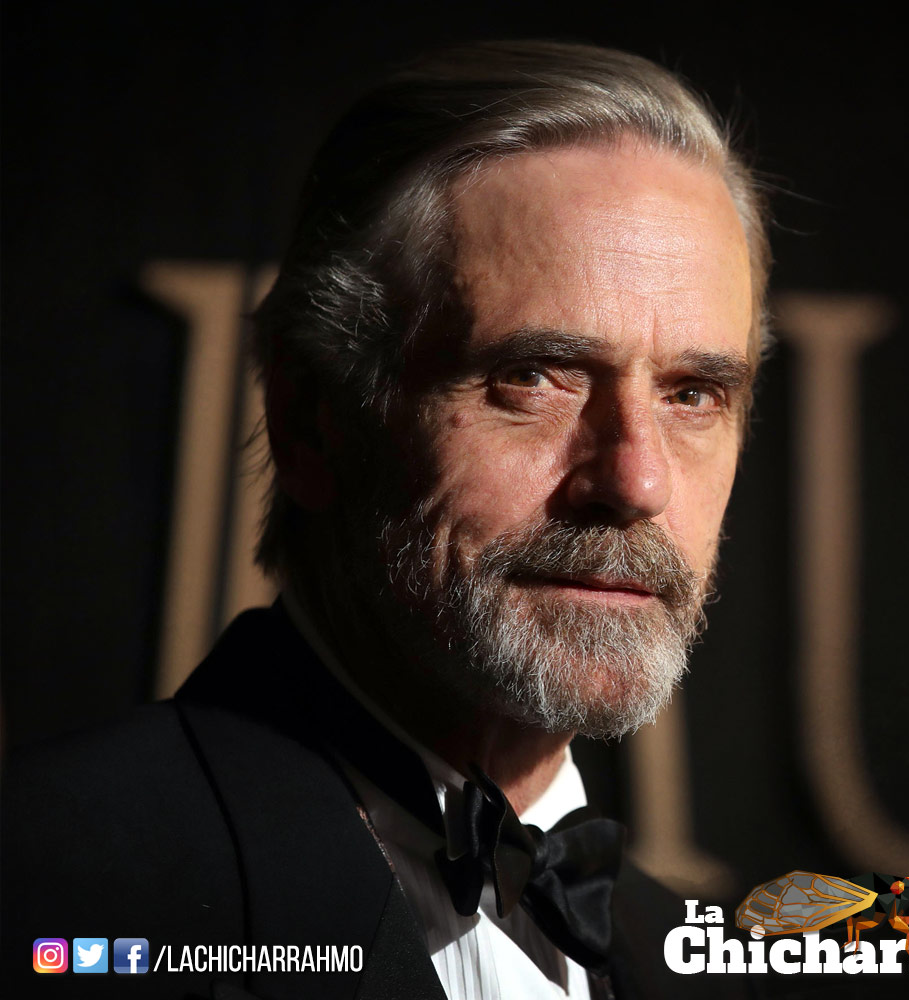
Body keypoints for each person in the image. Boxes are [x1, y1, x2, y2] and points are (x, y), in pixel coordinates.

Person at [2, 40, 769, 999]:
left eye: (694, 394)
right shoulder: (49, 888)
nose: (637, 480)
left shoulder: (706, 970)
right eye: (532, 377)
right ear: (313, 421)